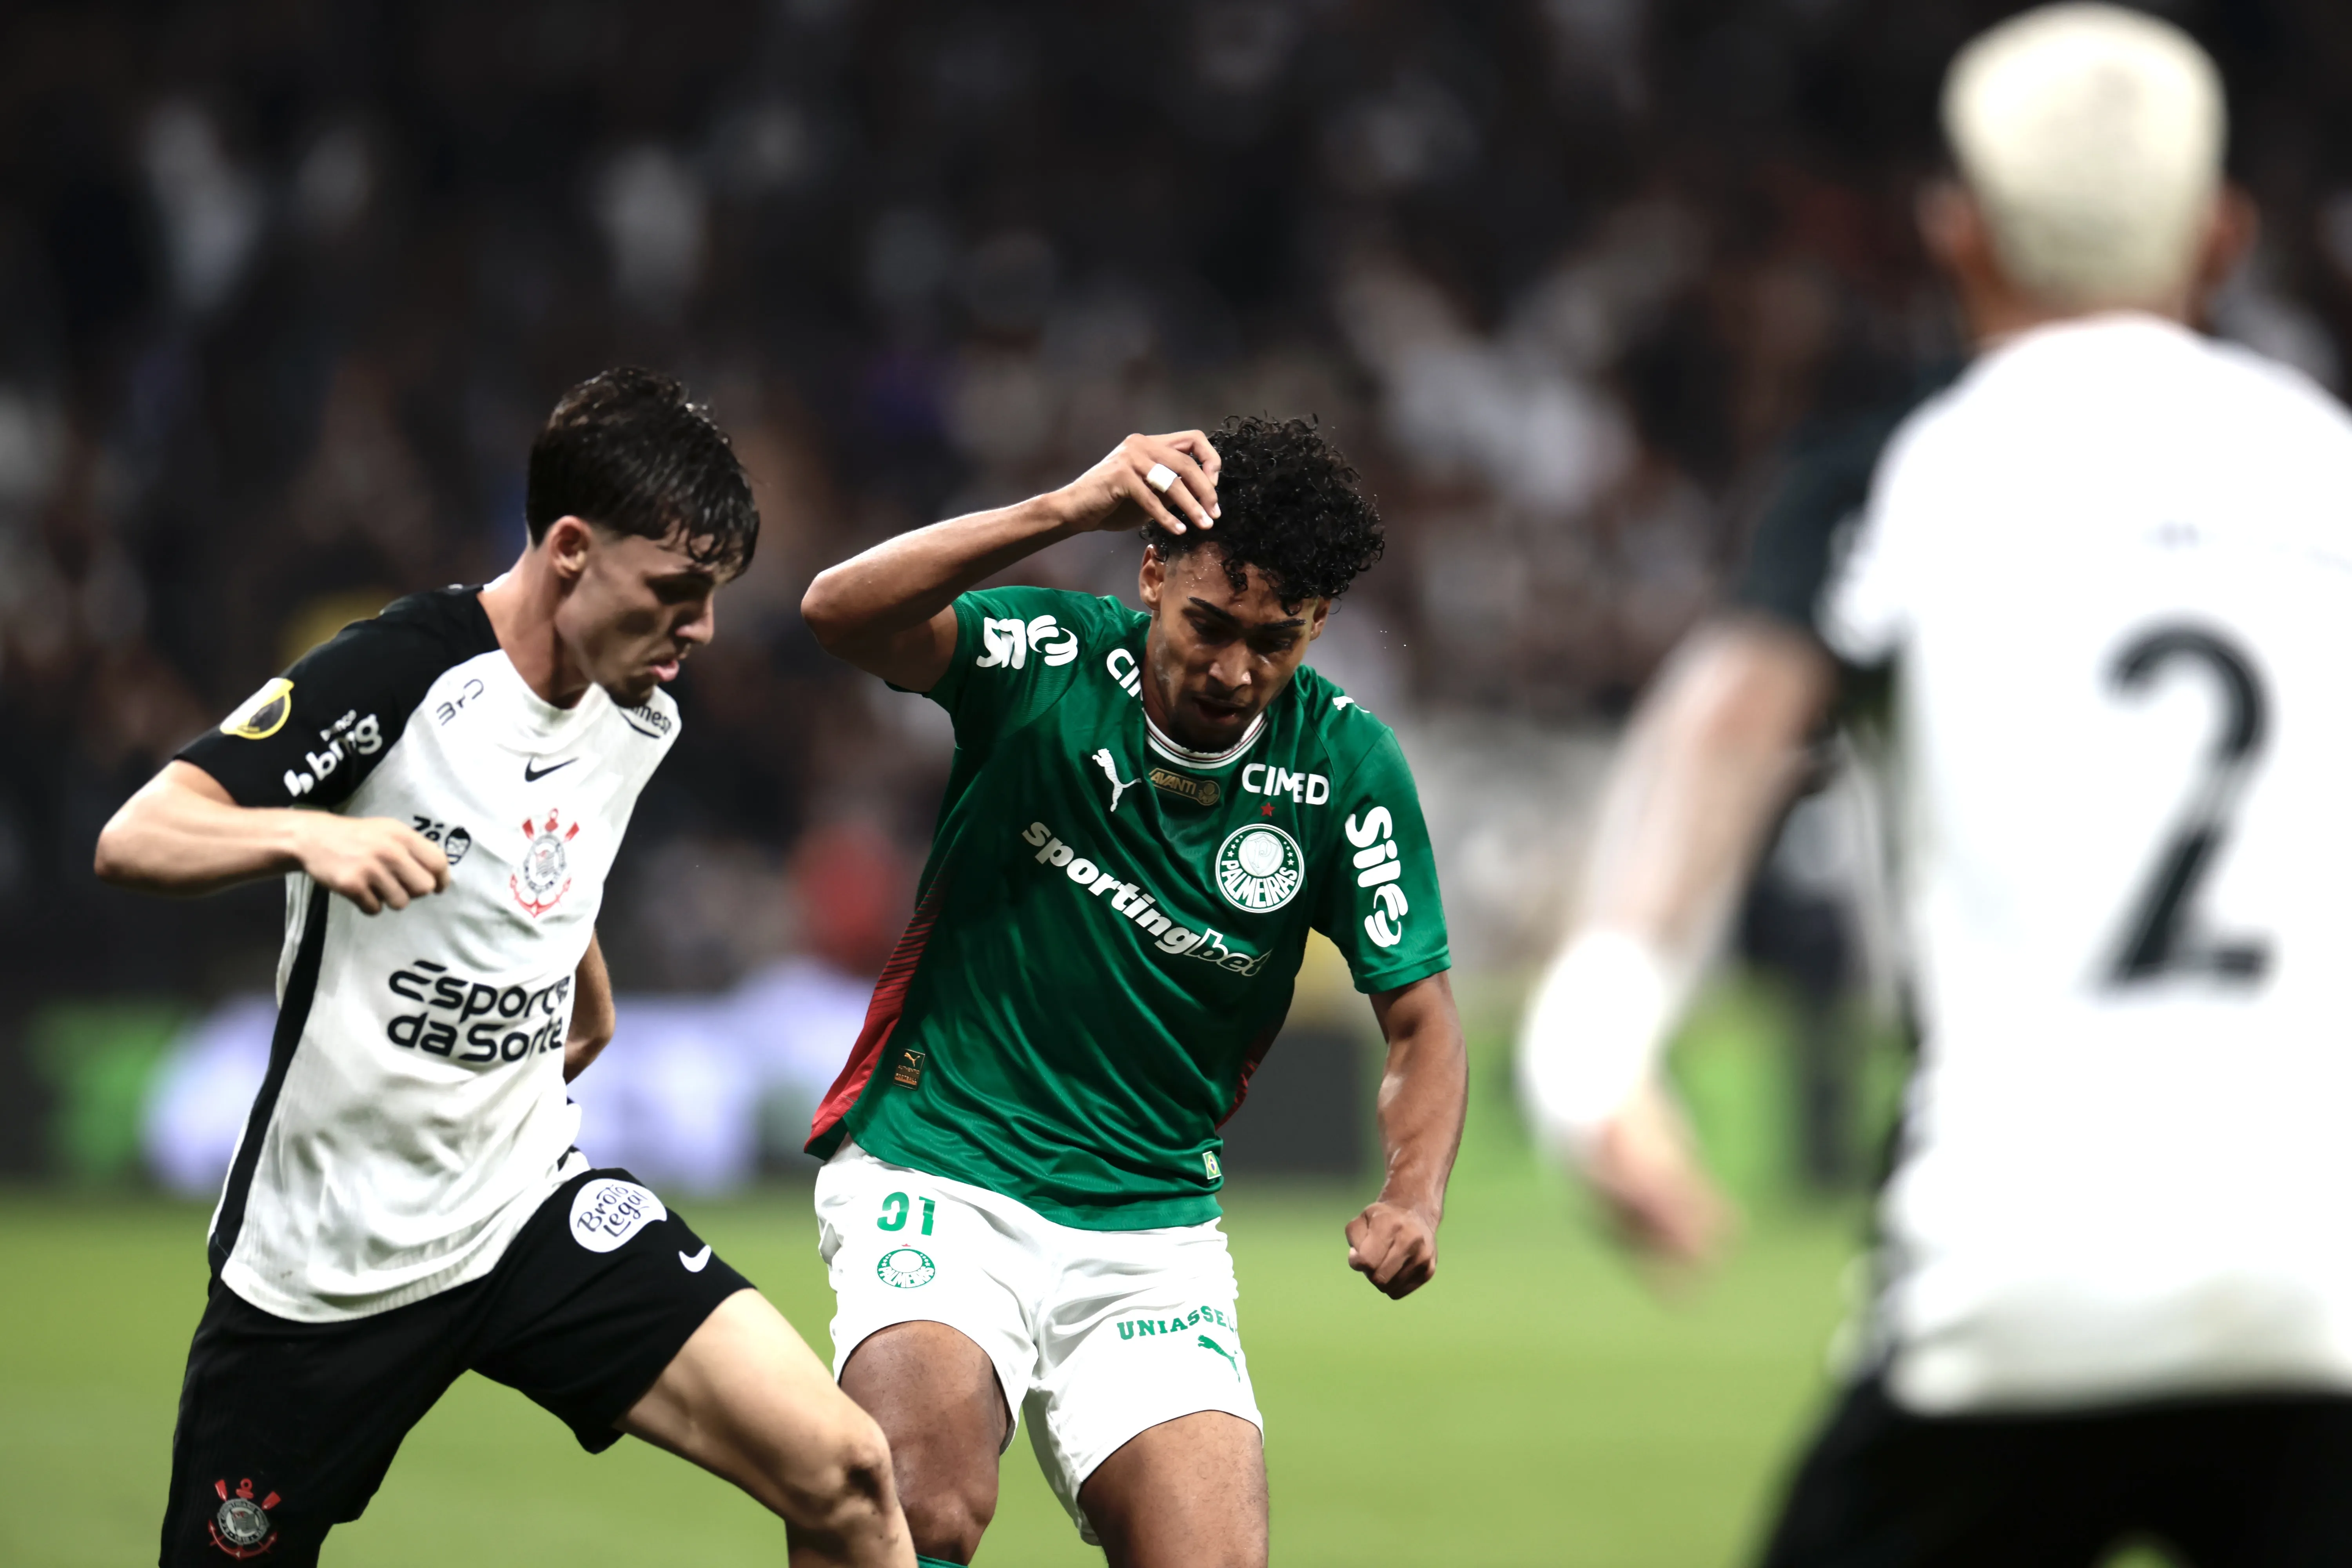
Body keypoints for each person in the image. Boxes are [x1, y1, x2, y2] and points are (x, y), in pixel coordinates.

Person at [1518, 6, 2352, 1563]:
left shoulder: (1903, 472)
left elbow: (1726, 725)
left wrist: (1593, 1055)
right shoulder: (2331, 465)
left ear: (1955, 230)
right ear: (2223, 234)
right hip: (2328, 1276)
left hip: (2015, 1275)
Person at [96, 367, 913, 1568]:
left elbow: (540, 844)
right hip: (328, 1264)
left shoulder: (639, 709)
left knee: (847, 1475)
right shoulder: (399, 670)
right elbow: (139, 834)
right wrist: (310, 834)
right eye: (676, 592)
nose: (700, 630)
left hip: (525, 1210)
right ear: (572, 549)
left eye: (713, 598)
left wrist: (583, 973)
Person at [799, 415, 1466, 1568]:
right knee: (920, 1501)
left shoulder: (1347, 769)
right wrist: (1066, 509)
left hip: (1151, 1230)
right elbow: (838, 611)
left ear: (1318, 625)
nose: (1235, 671)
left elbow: (1422, 1021)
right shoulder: (1050, 659)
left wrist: (1415, 1197)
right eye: (1211, 624)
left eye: (1277, 640)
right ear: (1153, 573)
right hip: (943, 1166)